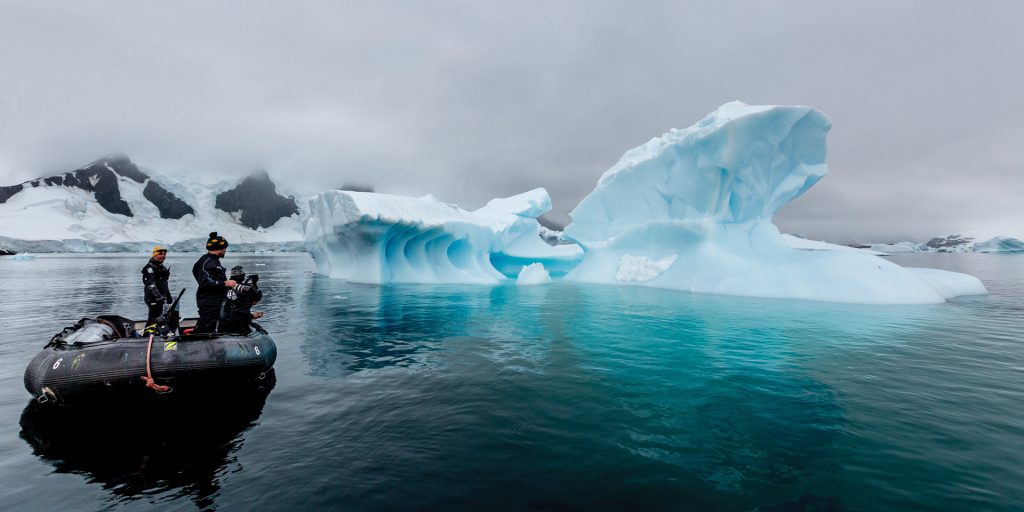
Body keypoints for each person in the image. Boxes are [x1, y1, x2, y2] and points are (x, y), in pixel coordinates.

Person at [191, 232, 249, 333]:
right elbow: (205, 282)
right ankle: (198, 345)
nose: (225, 250)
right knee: (207, 327)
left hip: (217, 301)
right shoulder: (206, 262)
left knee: (215, 325)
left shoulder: (214, 261)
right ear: (219, 248)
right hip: (208, 302)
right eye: (224, 248)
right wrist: (225, 284)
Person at [219, 265, 264, 334]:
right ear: (243, 276)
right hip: (239, 325)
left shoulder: (223, 287)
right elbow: (255, 300)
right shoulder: (246, 289)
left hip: (223, 323)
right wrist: (254, 284)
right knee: (260, 331)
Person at [142, 246, 171, 329]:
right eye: (160, 254)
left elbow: (164, 283)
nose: (163, 256)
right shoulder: (150, 268)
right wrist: (158, 296)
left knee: (159, 316)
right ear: (154, 255)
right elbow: (150, 284)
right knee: (153, 317)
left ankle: (157, 332)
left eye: (164, 254)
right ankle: (148, 334)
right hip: (152, 298)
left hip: (161, 297)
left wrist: (168, 296)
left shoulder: (161, 268)